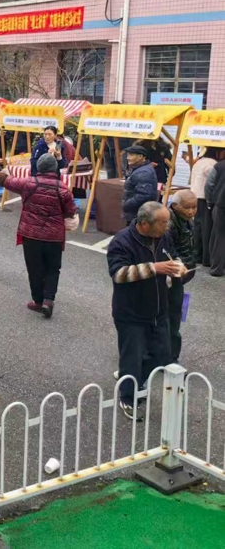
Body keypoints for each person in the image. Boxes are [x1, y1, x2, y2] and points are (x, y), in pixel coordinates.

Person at [107, 201, 182, 420]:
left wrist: (179, 265)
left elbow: (172, 255)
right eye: (163, 223)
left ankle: (133, 378)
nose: (167, 227)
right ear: (144, 224)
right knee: (131, 358)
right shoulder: (121, 241)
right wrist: (154, 268)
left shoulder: (163, 237)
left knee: (162, 355)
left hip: (159, 310)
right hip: (131, 313)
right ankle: (128, 398)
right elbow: (119, 274)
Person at [0, 154, 77, 318]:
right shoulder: (63, 189)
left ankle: (38, 301)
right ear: (54, 168)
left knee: (34, 269)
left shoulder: (27, 184)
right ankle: (48, 300)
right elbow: (70, 212)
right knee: (53, 269)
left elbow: (3, 179)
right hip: (54, 237)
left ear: (38, 167)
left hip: (31, 235)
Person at [167, 191, 197, 364]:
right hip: (171, 275)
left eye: (194, 207)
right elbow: (168, 251)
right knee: (170, 317)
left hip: (182, 273)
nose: (191, 211)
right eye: (187, 207)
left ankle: (171, 356)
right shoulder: (168, 224)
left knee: (174, 316)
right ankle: (168, 357)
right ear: (175, 205)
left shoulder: (186, 219)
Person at [190, 147, 221, 267]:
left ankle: (196, 255)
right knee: (207, 228)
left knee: (197, 227)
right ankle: (206, 258)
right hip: (204, 198)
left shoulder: (198, 162)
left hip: (194, 196)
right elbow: (212, 183)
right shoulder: (212, 164)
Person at [122, 144, 158, 223]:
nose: (127, 158)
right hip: (137, 214)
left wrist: (126, 205)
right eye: (127, 155)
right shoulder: (140, 169)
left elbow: (143, 196)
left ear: (140, 156)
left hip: (138, 215)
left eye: (131, 155)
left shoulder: (143, 172)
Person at [206, 154, 225, 276]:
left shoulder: (219, 166)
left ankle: (217, 269)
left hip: (221, 204)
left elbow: (209, 185)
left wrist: (209, 202)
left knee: (219, 237)